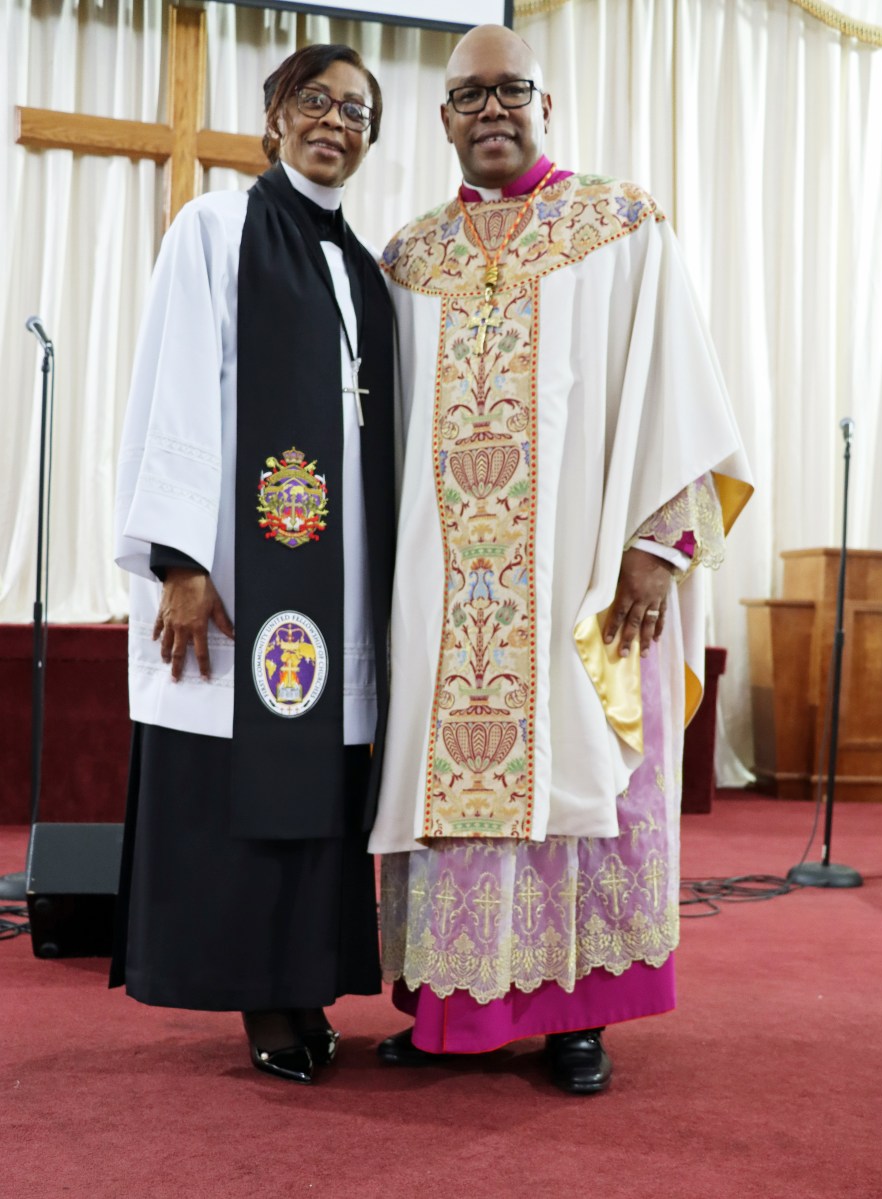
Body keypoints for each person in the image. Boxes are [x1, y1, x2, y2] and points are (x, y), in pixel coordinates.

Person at [369, 24, 752, 1094]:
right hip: (445, 598)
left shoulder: (617, 227)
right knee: (449, 789)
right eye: (469, 97)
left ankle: (577, 1016)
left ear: (547, 106)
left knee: (584, 774)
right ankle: (455, 1007)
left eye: (512, 91)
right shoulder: (409, 258)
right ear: (442, 120)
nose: (491, 111)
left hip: (580, 577)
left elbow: (681, 394)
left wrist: (654, 548)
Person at [110, 44, 396, 1085]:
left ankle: (305, 980)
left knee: (320, 792)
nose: (336, 122)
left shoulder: (365, 268)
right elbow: (178, 389)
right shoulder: (216, 229)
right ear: (273, 115)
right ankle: (258, 999)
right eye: (315, 101)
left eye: (358, 112)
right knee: (240, 779)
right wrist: (182, 561)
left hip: (339, 583)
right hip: (242, 577)